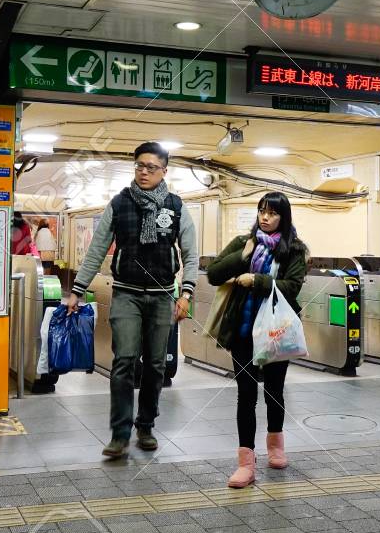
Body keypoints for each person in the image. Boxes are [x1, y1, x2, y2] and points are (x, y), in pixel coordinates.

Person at [64, 142, 199, 458]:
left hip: (163, 297)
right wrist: (77, 291)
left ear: (164, 171)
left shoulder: (176, 206)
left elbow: (191, 253)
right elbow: (97, 250)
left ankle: (146, 426)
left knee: (155, 364)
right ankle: (120, 433)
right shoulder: (119, 203)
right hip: (126, 294)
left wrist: (187, 293)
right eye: (139, 165)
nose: (144, 172)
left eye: (151, 167)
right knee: (124, 360)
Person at [206, 193, 308, 488]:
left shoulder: (294, 250)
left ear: (283, 217)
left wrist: (257, 280)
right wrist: (242, 257)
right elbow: (213, 274)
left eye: (272, 213)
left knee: (274, 391)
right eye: (262, 211)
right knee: (246, 394)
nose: (265, 217)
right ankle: (245, 463)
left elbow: (292, 286)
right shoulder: (244, 243)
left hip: (276, 332)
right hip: (243, 331)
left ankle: (276, 447)